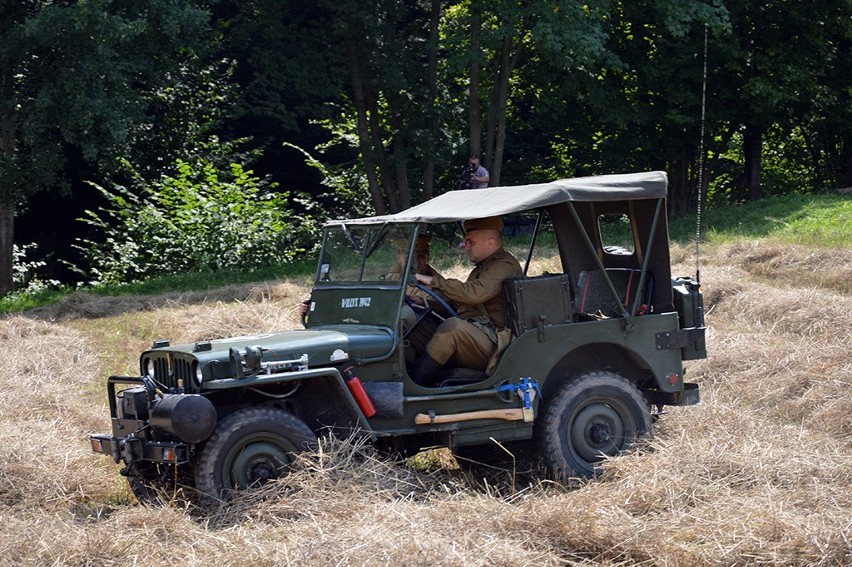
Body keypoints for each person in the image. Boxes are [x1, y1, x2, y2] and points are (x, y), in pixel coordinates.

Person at [410, 216, 522, 386]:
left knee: (452, 328)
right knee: (414, 327)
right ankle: (401, 379)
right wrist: (424, 303)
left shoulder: (504, 266)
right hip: (477, 332)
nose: (466, 247)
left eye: (471, 242)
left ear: (491, 242)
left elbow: (473, 294)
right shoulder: (482, 268)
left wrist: (433, 281)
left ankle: (416, 386)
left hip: (495, 344)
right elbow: (461, 303)